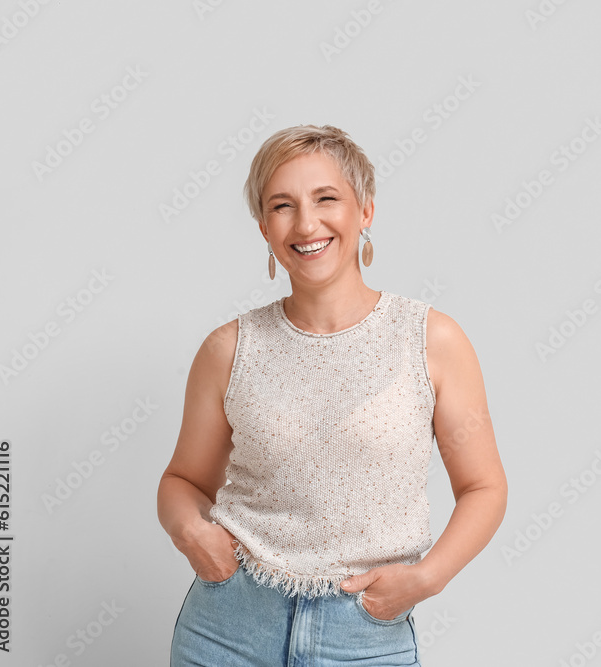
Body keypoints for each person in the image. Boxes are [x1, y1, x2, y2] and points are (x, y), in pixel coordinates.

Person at [157, 124, 508, 666]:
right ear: (264, 228)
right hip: (227, 631)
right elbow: (183, 480)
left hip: (363, 636)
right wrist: (192, 534)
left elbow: (484, 486)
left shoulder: (430, 340)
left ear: (365, 210)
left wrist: (426, 579)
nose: (306, 223)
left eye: (327, 199)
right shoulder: (229, 349)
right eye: (282, 206)